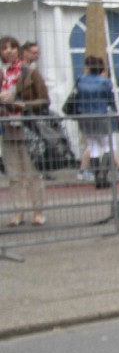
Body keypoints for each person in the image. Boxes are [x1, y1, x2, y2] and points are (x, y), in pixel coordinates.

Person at [1, 36, 47, 225]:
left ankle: (38, 212)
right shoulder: (2, 74)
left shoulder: (30, 72)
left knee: (32, 172)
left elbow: (44, 100)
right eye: (4, 48)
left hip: (27, 128)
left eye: (12, 47)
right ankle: (19, 212)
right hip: (7, 128)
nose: (9, 51)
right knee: (13, 175)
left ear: (18, 50)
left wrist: (23, 104)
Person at [74, 55, 119, 190]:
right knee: (108, 146)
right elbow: (110, 100)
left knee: (93, 146)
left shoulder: (80, 80)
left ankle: (97, 178)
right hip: (101, 115)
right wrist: (115, 112)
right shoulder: (105, 82)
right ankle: (103, 176)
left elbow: (77, 96)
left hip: (84, 116)